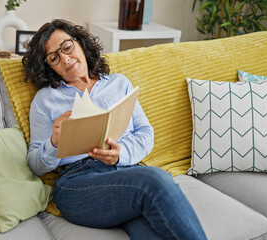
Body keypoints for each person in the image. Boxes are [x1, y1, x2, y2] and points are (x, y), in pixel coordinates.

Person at [22, 19, 207, 240]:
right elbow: (34, 164)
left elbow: (146, 133)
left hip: (127, 172)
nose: (65, 58)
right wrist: (54, 142)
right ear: (49, 66)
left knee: (150, 228)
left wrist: (121, 154)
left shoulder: (119, 83)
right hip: (78, 183)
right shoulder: (45, 100)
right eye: (54, 58)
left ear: (80, 42)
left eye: (67, 47)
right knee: (156, 180)